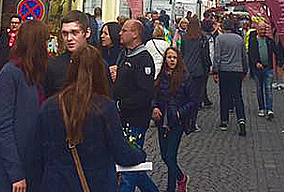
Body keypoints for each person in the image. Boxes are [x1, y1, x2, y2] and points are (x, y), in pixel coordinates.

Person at [28, 46, 145, 192]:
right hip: (96, 183)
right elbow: (122, 152)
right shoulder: (104, 107)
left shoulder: (48, 107)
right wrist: (140, 154)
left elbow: (36, 156)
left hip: (57, 183)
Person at [0, 19, 49, 192]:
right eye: (45, 41)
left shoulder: (34, 73)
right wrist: (16, 173)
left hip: (30, 162)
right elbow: (2, 126)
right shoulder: (10, 74)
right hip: (9, 172)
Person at [113, 19, 158, 192]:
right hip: (123, 119)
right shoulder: (126, 54)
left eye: (124, 30)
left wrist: (120, 105)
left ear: (135, 34)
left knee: (129, 168)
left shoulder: (144, 59)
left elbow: (144, 94)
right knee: (134, 168)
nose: (120, 33)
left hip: (135, 121)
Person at [152, 48, 196, 192]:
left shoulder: (185, 77)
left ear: (178, 60)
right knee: (164, 156)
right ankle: (181, 177)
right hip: (162, 121)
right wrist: (154, 108)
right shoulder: (161, 76)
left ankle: (171, 188)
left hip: (177, 123)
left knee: (171, 156)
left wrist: (179, 113)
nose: (171, 60)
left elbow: (193, 101)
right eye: (169, 57)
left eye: (174, 58)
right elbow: (154, 96)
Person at [44, 11, 93, 98]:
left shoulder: (98, 64)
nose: (69, 38)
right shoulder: (53, 66)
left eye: (75, 32)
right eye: (65, 33)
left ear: (87, 33)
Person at [213, 16, 247, 135]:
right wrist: (245, 71)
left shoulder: (219, 39)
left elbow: (217, 56)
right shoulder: (239, 39)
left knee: (224, 95)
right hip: (237, 70)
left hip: (224, 70)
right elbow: (244, 56)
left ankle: (224, 121)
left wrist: (215, 71)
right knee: (238, 96)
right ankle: (241, 121)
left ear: (223, 27)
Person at [248, 21, 284, 119]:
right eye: (261, 29)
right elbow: (251, 54)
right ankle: (261, 108)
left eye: (264, 29)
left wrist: (282, 62)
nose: (263, 31)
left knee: (268, 88)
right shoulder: (253, 41)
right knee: (259, 89)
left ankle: (269, 109)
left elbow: (277, 52)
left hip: (268, 68)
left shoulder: (269, 41)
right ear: (257, 30)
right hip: (257, 69)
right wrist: (256, 63)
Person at [179, 16, 210, 130]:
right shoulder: (202, 38)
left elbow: (182, 53)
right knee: (195, 98)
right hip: (198, 71)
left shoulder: (184, 37)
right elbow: (205, 56)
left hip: (186, 70)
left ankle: (185, 120)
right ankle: (192, 123)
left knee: (185, 97)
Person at [100, 21, 122, 93]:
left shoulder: (122, 53)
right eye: (102, 33)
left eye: (106, 34)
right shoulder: (101, 51)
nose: (102, 36)